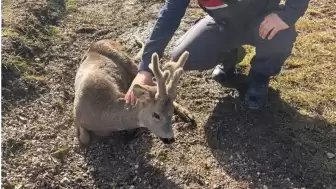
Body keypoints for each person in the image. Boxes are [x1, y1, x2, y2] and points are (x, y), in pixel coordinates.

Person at [125, 0, 310, 110]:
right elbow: (168, 16)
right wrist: (145, 69)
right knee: (184, 55)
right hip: (224, 24)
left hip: (263, 21)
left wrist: (287, 16)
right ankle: (232, 55)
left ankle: (260, 77)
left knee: (281, 35)